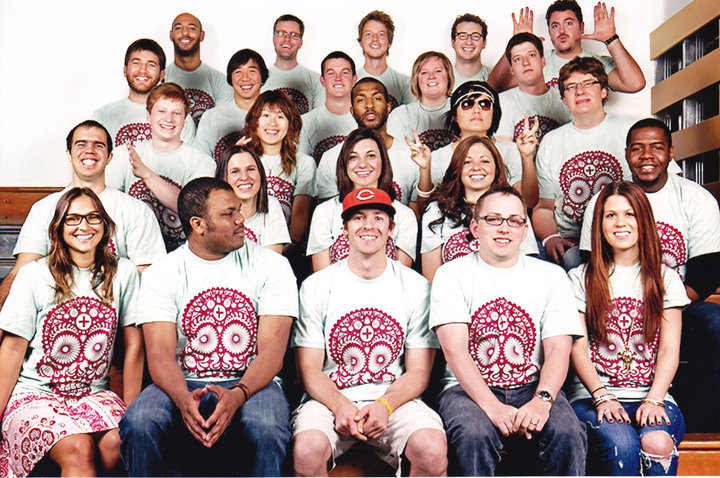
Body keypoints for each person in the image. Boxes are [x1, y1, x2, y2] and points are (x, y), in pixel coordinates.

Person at [119, 177, 298, 477]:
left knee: (267, 426)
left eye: (239, 210)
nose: (241, 219)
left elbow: (272, 350)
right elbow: (160, 354)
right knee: (140, 421)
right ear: (198, 224)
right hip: (182, 379)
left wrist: (238, 394)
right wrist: (182, 399)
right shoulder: (162, 272)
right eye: (229, 214)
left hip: (252, 381)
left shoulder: (272, 266)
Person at [291, 187, 448, 477]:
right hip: (330, 398)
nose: (368, 226)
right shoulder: (316, 285)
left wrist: (385, 405)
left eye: (378, 218)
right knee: (307, 449)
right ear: (344, 228)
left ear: (391, 229)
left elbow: (418, 371)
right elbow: (309, 368)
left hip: (394, 396)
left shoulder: (415, 286)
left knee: (432, 448)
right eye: (358, 218)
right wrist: (339, 405)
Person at [430, 186, 586, 476]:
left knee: (567, 433)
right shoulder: (451, 274)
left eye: (514, 220)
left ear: (525, 230)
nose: (504, 228)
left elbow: (558, 349)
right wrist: (492, 407)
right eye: (493, 219)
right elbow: (454, 350)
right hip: (465, 388)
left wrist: (541, 402)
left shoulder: (550, 277)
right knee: (474, 434)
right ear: (475, 227)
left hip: (532, 384)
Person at [579, 118, 720, 432]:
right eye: (637, 148)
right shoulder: (602, 201)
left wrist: (659, 305)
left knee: (716, 322)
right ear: (626, 153)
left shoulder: (695, 199)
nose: (646, 155)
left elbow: (708, 273)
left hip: (679, 302)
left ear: (671, 152)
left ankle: (701, 424)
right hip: (613, 303)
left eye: (657, 147)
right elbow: (595, 264)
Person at [0, 188, 143, 477]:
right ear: (58, 228)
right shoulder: (35, 274)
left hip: (93, 395)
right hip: (35, 394)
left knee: (120, 442)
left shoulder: (123, 273)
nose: (84, 226)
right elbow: (12, 349)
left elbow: (135, 346)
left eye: (93, 217)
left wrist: (133, 412)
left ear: (105, 225)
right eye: (73, 219)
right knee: (78, 448)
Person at [568, 181, 689, 475]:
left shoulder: (665, 278)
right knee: (622, 444)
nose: (620, 223)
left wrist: (655, 398)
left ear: (643, 220)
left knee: (658, 442)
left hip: (651, 393)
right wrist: (602, 394)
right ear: (599, 223)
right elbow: (577, 347)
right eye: (610, 215)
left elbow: (670, 348)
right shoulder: (579, 277)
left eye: (629, 214)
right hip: (592, 395)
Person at [0, 120, 165, 310]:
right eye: (81, 144)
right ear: (69, 154)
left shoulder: (136, 211)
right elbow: (21, 272)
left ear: (110, 157)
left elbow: (147, 278)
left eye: (98, 145)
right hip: (54, 313)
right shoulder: (44, 209)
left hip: (115, 317)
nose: (90, 150)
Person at [533, 56, 633, 271]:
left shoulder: (631, 131)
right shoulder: (551, 141)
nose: (580, 91)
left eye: (588, 83)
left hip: (622, 234)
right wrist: (551, 238)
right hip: (571, 240)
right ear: (563, 99)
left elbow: (661, 193)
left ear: (604, 91)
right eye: (571, 87)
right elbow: (544, 207)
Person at [106, 83, 215, 251]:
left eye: (176, 113)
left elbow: (193, 209)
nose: (169, 119)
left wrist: (147, 174)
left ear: (185, 120)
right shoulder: (124, 155)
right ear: (148, 116)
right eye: (162, 111)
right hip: (132, 252)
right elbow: (107, 207)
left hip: (184, 255)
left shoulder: (202, 162)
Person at [421, 136, 538, 282]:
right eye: (467, 162)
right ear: (457, 168)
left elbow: (529, 269)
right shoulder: (436, 210)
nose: (476, 167)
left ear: (496, 168)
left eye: (484, 161)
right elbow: (432, 278)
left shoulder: (513, 206)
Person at [307, 128, 417, 271]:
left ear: (383, 161)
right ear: (344, 163)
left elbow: (402, 276)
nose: (362, 164)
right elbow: (322, 278)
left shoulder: (405, 215)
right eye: (353, 157)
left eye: (371, 156)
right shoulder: (324, 212)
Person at [488, 2, 645, 93]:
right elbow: (494, 87)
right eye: (555, 25)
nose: (561, 31)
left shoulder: (598, 63)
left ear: (581, 27)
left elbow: (635, 84)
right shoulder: (535, 62)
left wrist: (611, 40)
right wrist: (517, 43)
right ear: (549, 31)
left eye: (568, 23)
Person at [428, 81, 539, 208]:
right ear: (455, 116)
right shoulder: (439, 157)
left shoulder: (512, 150)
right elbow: (429, 206)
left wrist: (526, 157)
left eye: (484, 104)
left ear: (494, 113)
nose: (476, 110)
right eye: (467, 104)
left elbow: (529, 202)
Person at [316, 78, 420, 209]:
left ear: (388, 108)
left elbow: (417, 214)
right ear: (352, 111)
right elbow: (330, 213)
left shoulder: (411, 156)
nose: (369, 105)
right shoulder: (331, 157)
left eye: (376, 98)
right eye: (361, 100)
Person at [241, 90, 316, 246]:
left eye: (280, 117)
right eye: (266, 116)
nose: (273, 123)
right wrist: (233, 159)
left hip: (286, 247)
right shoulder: (242, 158)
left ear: (290, 124)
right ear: (255, 121)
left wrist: (281, 253)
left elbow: (300, 214)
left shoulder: (304, 163)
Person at [92, 39, 196, 146]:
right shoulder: (103, 116)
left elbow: (188, 160)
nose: (142, 70)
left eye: (151, 65)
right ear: (125, 70)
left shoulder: (180, 117)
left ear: (162, 74)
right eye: (136, 63)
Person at [495, 33, 572, 144]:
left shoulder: (564, 99)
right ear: (511, 70)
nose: (526, 63)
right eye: (517, 59)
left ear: (543, 61)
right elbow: (504, 154)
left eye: (531, 55)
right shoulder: (502, 102)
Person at [195, 49, 268, 160]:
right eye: (238, 72)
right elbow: (200, 163)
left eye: (252, 71)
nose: (245, 78)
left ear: (262, 77)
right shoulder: (211, 118)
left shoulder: (276, 118)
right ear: (230, 79)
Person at [215, 144, 290, 253]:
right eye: (235, 171)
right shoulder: (212, 212)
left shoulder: (271, 205)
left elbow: (272, 262)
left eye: (250, 169)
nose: (244, 177)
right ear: (223, 178)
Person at [165, 12, 233, 124]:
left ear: (202, 35)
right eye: (178, 28)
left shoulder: (221, 81)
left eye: (192, 28)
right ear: (171, 35)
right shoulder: (160, 79)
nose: (185, 33)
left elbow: (221, 126)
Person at [386, 52, 455, 151]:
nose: (431, 76)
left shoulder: (464, 109)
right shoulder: (401, 115)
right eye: (424, 72)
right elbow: (396, 158)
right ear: (416, 79)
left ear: (448, 76)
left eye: (438, 71)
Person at [298, 51, 358, 163]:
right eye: (331, 73)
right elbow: (303, 168)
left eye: (345, 73)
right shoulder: (305, 122)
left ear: (354, 79)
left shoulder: (367, 121)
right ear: (322, 80)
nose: (338, 78)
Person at [262, 14, 324, 115]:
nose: (287, 38)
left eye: (294, 34)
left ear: (300, 42)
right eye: (281, 33)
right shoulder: (259, 79)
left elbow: (318, 121)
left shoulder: (316, 81)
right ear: (274, 39)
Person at [356, 11, 414, 109]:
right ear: (361, 42)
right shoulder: (350, 82)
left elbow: (411, 120)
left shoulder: (405, 84)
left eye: (381, 34)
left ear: (389, 42)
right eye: (368, 34)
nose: (375, 39)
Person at [450, 14, 491, 89]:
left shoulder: (495, 78)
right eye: (462, 35)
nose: (469, 42)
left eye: (475, 36)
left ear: (484, 43)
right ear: (453, 43)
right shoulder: (441, 79)